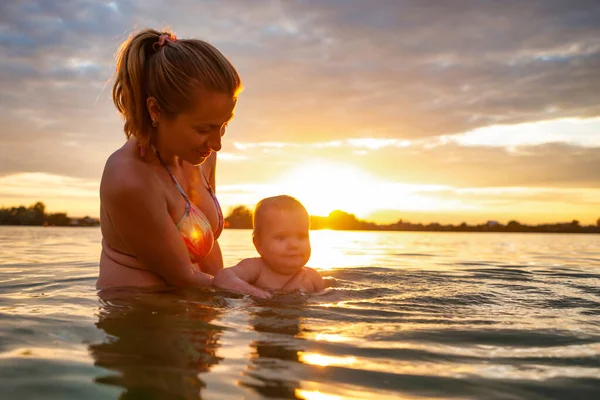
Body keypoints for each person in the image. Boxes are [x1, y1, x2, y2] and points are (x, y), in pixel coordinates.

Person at [97, 28, 261, 293]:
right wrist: (265, 299)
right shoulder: (128, 179)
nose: (217, 143)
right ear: (155, 110)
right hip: (140, 320)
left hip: (193, 314)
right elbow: (183, 278)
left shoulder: (201, 156)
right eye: (203, 129)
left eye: (223, 126)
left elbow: (207, 252)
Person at [213, 195, 325, 298]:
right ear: (259, 245)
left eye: (301, 236)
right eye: (281, 237)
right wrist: (251, 291)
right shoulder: (256, 268)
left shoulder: (314, 278)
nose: (294, 245)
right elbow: (222, 277)